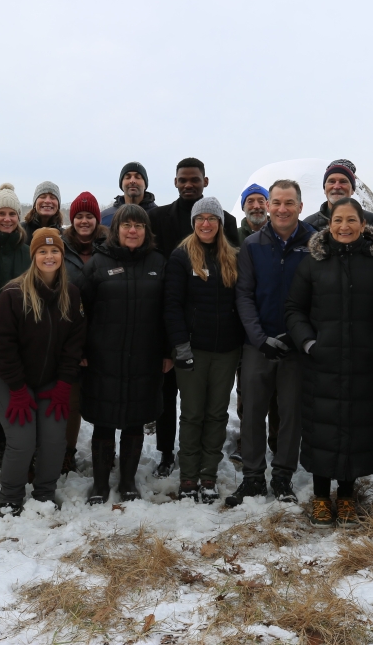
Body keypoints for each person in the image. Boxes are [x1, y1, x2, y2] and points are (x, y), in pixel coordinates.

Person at [285, 198, 373, 527]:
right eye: (338, 220)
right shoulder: (313, 263)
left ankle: (348, 497)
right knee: (322, 426)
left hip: (362, 362)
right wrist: (309, 343)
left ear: (363, 225)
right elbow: (294, 308)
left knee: (355, 426)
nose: (345, 226)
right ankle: (322, 497)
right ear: (330, 224)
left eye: (352, 220)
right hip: (321, 362)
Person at [226, 179, 315, 507]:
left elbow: (318, 294)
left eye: (289, 202)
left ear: (300, 207)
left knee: (291, 413)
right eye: (276, 202)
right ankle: (251, 477)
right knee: (252, 411)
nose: (281, 208)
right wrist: (258, 337)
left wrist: (300, 336)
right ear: (268, 205)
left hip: (296, 345)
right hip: (258, 344)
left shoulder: (314, 243)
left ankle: (282, 477)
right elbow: (244, 294)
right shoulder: (252, 244)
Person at [148, 157, 239, 478]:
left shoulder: (229, 231)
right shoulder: (160, 222)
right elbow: (169, 297)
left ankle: (207, 470)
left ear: (205, 181)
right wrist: (174, 341)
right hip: (180, 333)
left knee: (213, 411)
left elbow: (238, 291)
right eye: (183, 180)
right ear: (175, 182)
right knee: (178, 402)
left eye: (195, 180)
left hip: (221, 341)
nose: (189, 184)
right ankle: (170, 457)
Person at [76, 204, 172, 505]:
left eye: (139, 226)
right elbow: (82, 311)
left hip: (145, 356)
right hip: (104, 356)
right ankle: (101, 484)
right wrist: (81, 348)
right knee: (104, 420)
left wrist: (168, 349)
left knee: (135, 419)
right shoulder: (98, 263)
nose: (133, 231)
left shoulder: (159, 262)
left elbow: (169, 311)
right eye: (127, 225)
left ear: (146, 231)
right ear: (116, 230)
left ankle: (128, 481)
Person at [0, 228, 85, 516]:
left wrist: (64, 385)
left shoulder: (71, 294)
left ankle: (44, 492)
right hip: (11, 381)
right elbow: (1, 345)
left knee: (55, 439)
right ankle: (10, 497)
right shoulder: (13, 294)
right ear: (33, 256)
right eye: (42, 251)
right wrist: (18, 390)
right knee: (22, 440)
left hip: (50, 381)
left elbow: (74, 345)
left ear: (61, 255)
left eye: (54, 250)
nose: (49, 256)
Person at [164, 197, 244, 502]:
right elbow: (172, 305)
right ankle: (188, 475)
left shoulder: (232, 256)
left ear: (220, 224)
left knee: (216, 413)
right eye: (201, 219)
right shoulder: (181, 257)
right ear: (194, 223)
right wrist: (180, 345)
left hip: (226, 351)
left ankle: (208, 474)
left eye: (212, 218)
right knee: (193, 413)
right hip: (192, 350)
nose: (206, 224)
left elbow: (241, 301)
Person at [61, 192, 108, 474]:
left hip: (103, 333)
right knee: (71, 398)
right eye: (79, 216)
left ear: (97, 220)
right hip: (69, 334)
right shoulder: (61, 248)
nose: (84, 221)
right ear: (72, 219)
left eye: (90, 216)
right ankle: (67, 452)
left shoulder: (108, 247)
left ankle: (105, 451)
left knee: (105, 396)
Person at [231, 183, 279, 465]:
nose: (257, 206)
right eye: (251, 201)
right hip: (243, 323)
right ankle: (246, 439)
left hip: (273, 320)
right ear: (244, 206)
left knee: (276, 391)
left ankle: (276, 440)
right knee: (247, 388)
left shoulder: (279, 234)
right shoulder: (234, 237)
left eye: (262, 200)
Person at [0, 184, 31, 477]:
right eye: (1, 213)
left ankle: (7, 445)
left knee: (10, 393)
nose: (7, 219)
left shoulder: (28, 253)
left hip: (18, 340)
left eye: (12, 213)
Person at [303, 160, 373, 231]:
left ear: (352, 190)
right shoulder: (308, 225)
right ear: (324, 189)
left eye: (343, 181)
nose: (337, 186)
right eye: (331, 181)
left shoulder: (372, 222)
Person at [100, 162, 157, 226]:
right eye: (128, 177)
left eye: (137, 177)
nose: (132, 181)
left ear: (145, 184)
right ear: (121, 184)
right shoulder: (104, 218)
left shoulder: (159, 216)